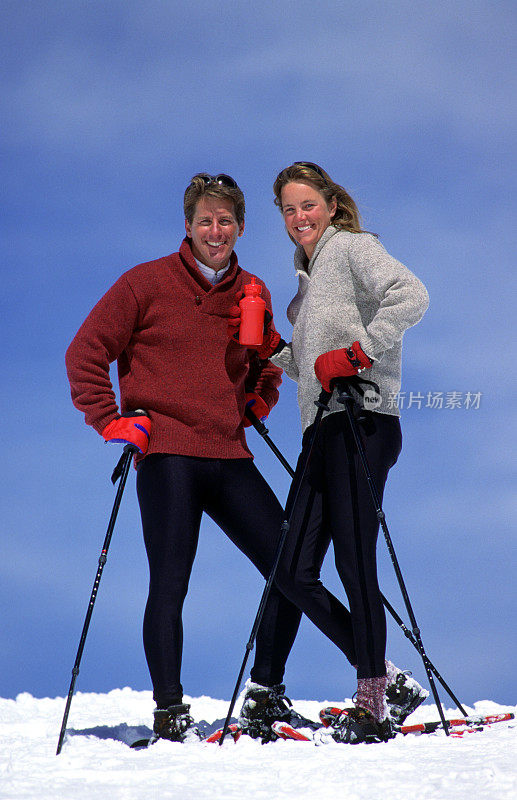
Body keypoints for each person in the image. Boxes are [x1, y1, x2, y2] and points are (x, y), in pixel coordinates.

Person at [65, 173, 306, 743]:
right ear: (189, 226)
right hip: (167, 453)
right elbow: (86, 351)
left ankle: (267, 694)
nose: (215, 231)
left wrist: (257, 398)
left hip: (228, 450)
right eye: (205, 221)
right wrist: (110, 419)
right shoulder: (144, 283)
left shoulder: (253, 290)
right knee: (170, 583)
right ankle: (169, 709)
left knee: (291, 567)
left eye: (226, 221)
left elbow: (268, 359)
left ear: (241, 228)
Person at [233, 162, 430, 744]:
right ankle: (385, 682)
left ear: (332, 204)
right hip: (322, 428)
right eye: (289, 211)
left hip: (364, 421)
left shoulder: (351, 249)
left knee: (353, 563)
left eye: (308, 205)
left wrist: (359, 353)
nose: (299, 218)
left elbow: (411, 296)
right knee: (292, 568)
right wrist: (273, 351)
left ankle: (373, 700)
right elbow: (310, 369)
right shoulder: (308, 278)